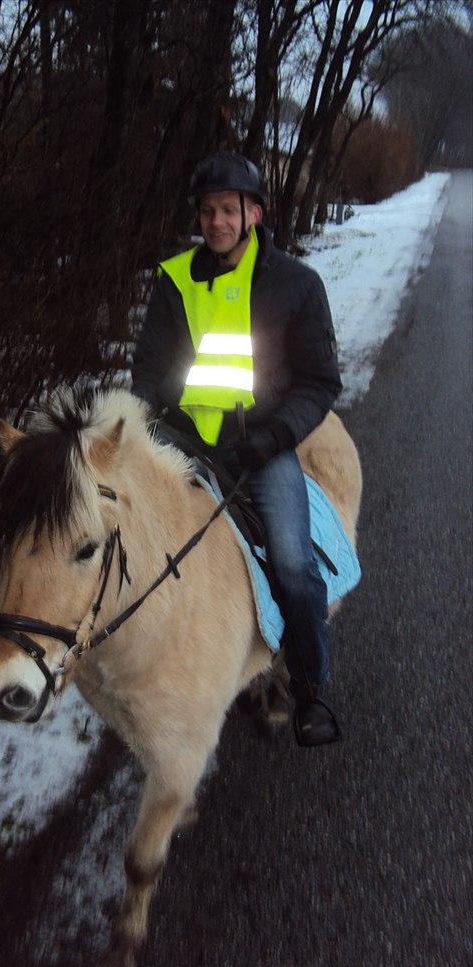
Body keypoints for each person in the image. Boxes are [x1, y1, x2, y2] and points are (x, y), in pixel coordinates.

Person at [131, 151, 343, 747]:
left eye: (229, 209)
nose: (216, 221)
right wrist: (141, 427)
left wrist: (274, 438)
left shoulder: (296, 285)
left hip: (262, 445)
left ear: (254, 213)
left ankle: (308, 690)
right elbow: (148, 373)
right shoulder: (173, 280)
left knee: (294, 568)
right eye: (207, 210)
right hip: (185, 443)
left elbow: (320, 382)